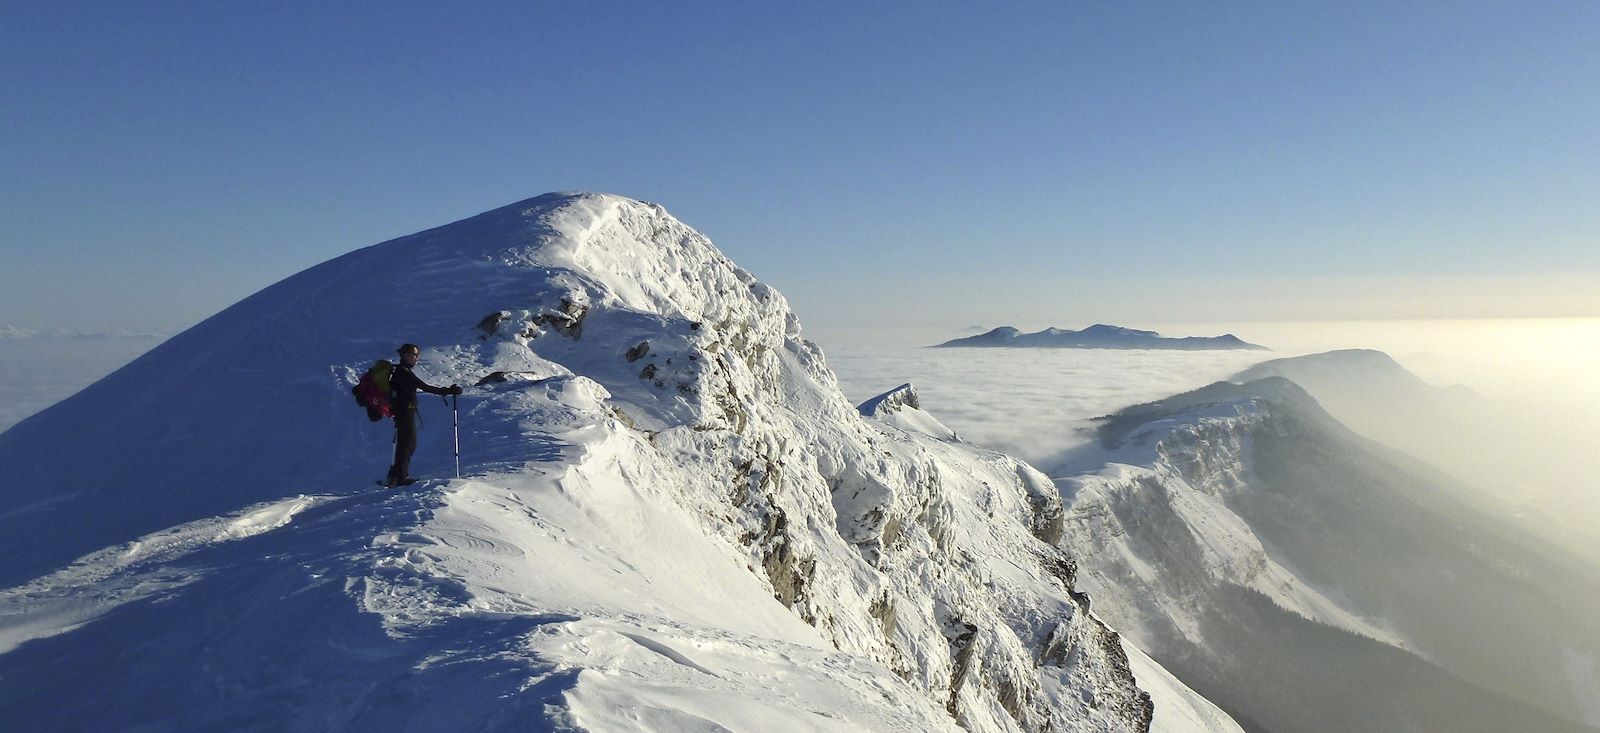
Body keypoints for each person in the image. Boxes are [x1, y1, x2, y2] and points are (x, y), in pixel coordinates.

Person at [385, 343, 462, 486]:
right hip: (404, 413)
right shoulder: (403, 373)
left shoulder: (400, 371)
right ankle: (401, 477)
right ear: (405, 356)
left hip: (402, 412)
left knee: (405, 444)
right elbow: (425, 387)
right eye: (413, 355)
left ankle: (394, 476)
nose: (416, 358)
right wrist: (448, 391)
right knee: (408, 444)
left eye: (416, 355)